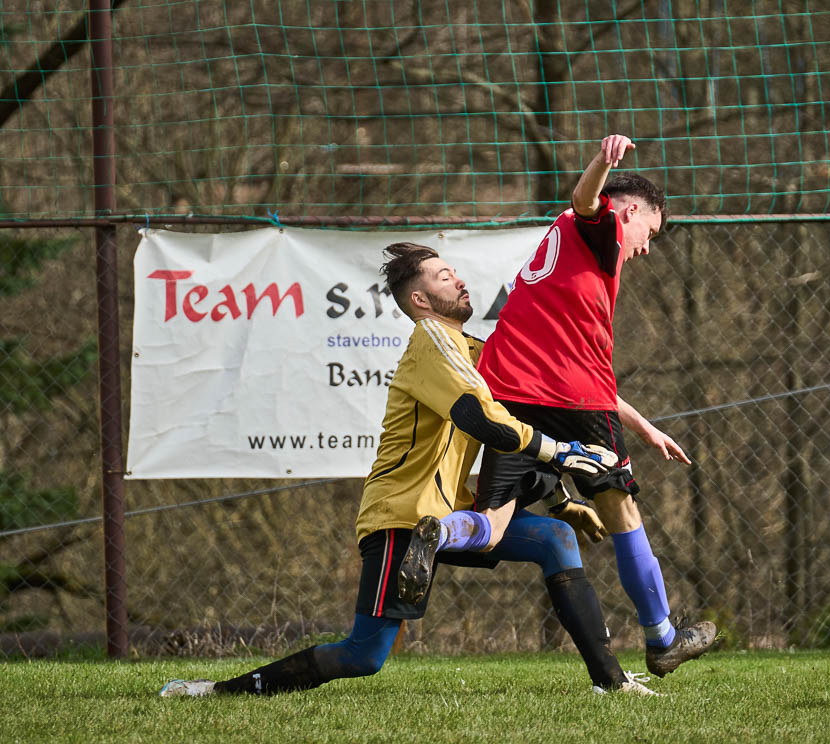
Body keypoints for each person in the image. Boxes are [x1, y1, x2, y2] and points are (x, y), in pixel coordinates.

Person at [160, 243, 653, 698]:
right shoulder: (432, 342)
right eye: (444, 277)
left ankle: (611, 682)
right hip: (403, 514)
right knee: (363, 655)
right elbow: (482, 419)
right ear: (420, 299)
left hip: (447, 515)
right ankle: (217, 691)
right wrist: (562, 453)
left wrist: (562, 501)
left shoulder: (474, 349)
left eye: (455, 273)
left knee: (555, 539)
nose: (459, 281)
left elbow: (535, 404)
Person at [473, 133, 717, 678]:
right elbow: (587, 200)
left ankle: (430, 541)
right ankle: (662, 638)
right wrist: (602, 161)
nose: (646, 247)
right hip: (575, 402)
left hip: (510, 390)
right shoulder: (599, 227)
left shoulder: (566, 241)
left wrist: (645, 426)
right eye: (650, 231)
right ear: (629, 212)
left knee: (489, 523)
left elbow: (569, 362)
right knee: (622, 512)